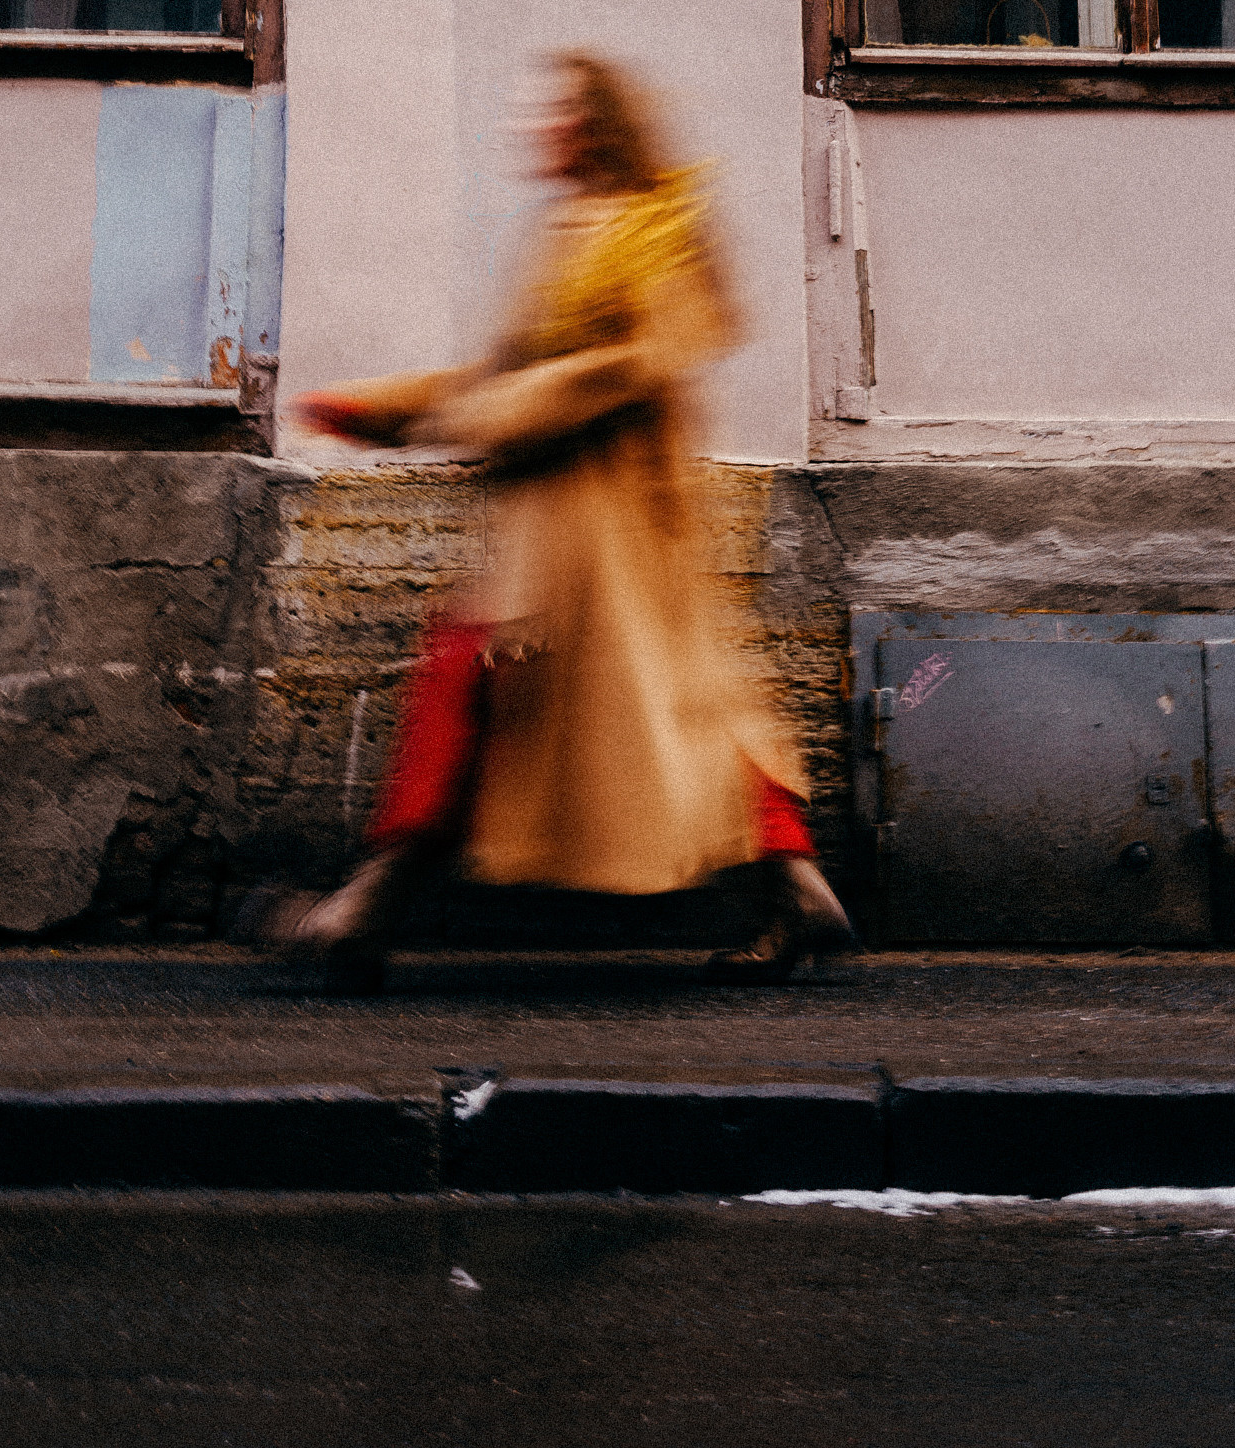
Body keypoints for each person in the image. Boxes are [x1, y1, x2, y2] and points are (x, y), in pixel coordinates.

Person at [278, 51, 854, 980]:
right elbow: (503, 369)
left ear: (592, 125)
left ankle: (364, 911)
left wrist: (478, 414)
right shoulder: (571, 226)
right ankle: (801, 896)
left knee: (486, 684)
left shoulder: (645, 226)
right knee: (649, 710)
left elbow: (634, 364)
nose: (529, 129)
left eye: (547, 113)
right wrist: (384, 406)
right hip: (566, 523)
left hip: (603, 530)